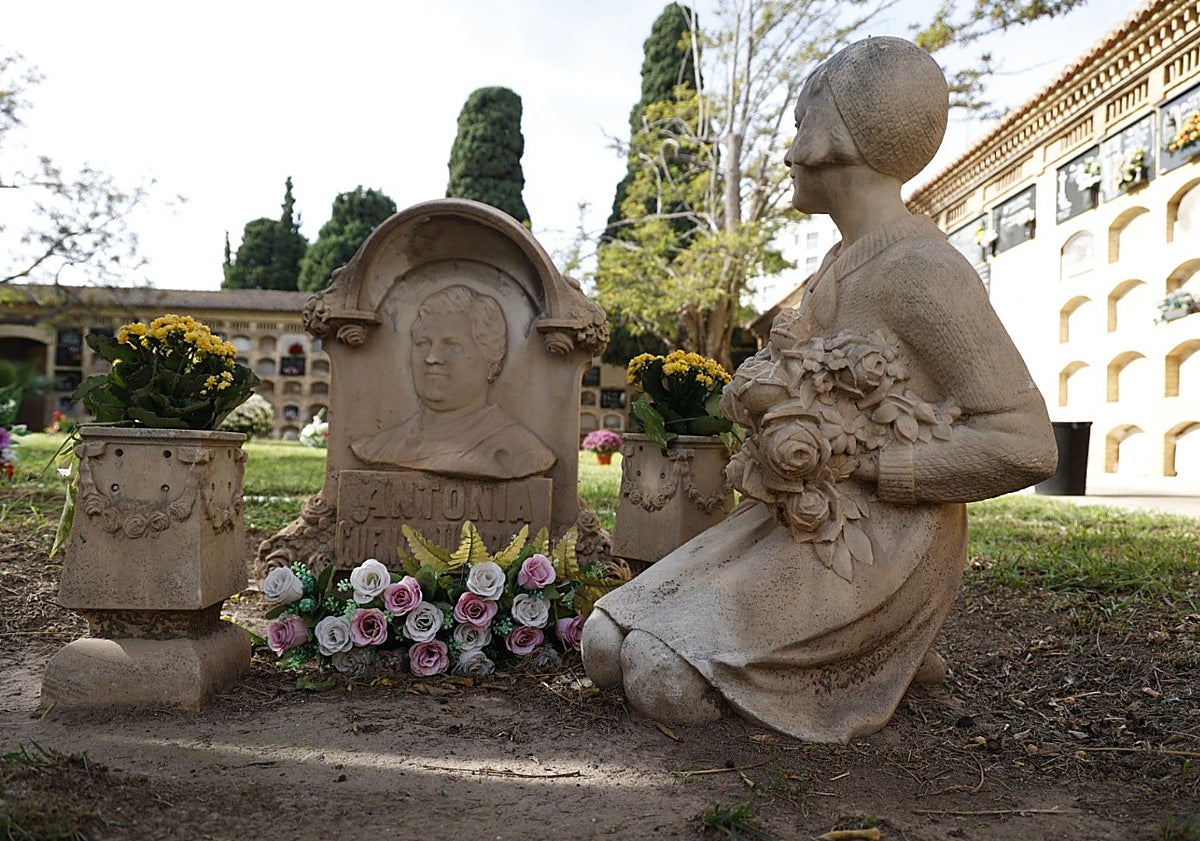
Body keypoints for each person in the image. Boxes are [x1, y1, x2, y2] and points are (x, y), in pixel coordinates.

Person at [582, 37, 1057, 743]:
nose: (789, 151)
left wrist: (870, 464)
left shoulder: (923, 271)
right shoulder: (838, 267)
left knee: (657, 673)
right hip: (791, 519)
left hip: (881, 540)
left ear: (837, 138)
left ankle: (869, 650)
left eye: (800, 127)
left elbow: (1027, 444)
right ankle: (844, 651)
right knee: (601, 640)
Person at [351, 285, 555, 480]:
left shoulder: (518, 453)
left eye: (452, 345)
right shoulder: (380, 446)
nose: (432, 357)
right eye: (423, 343)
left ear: (491, 360)